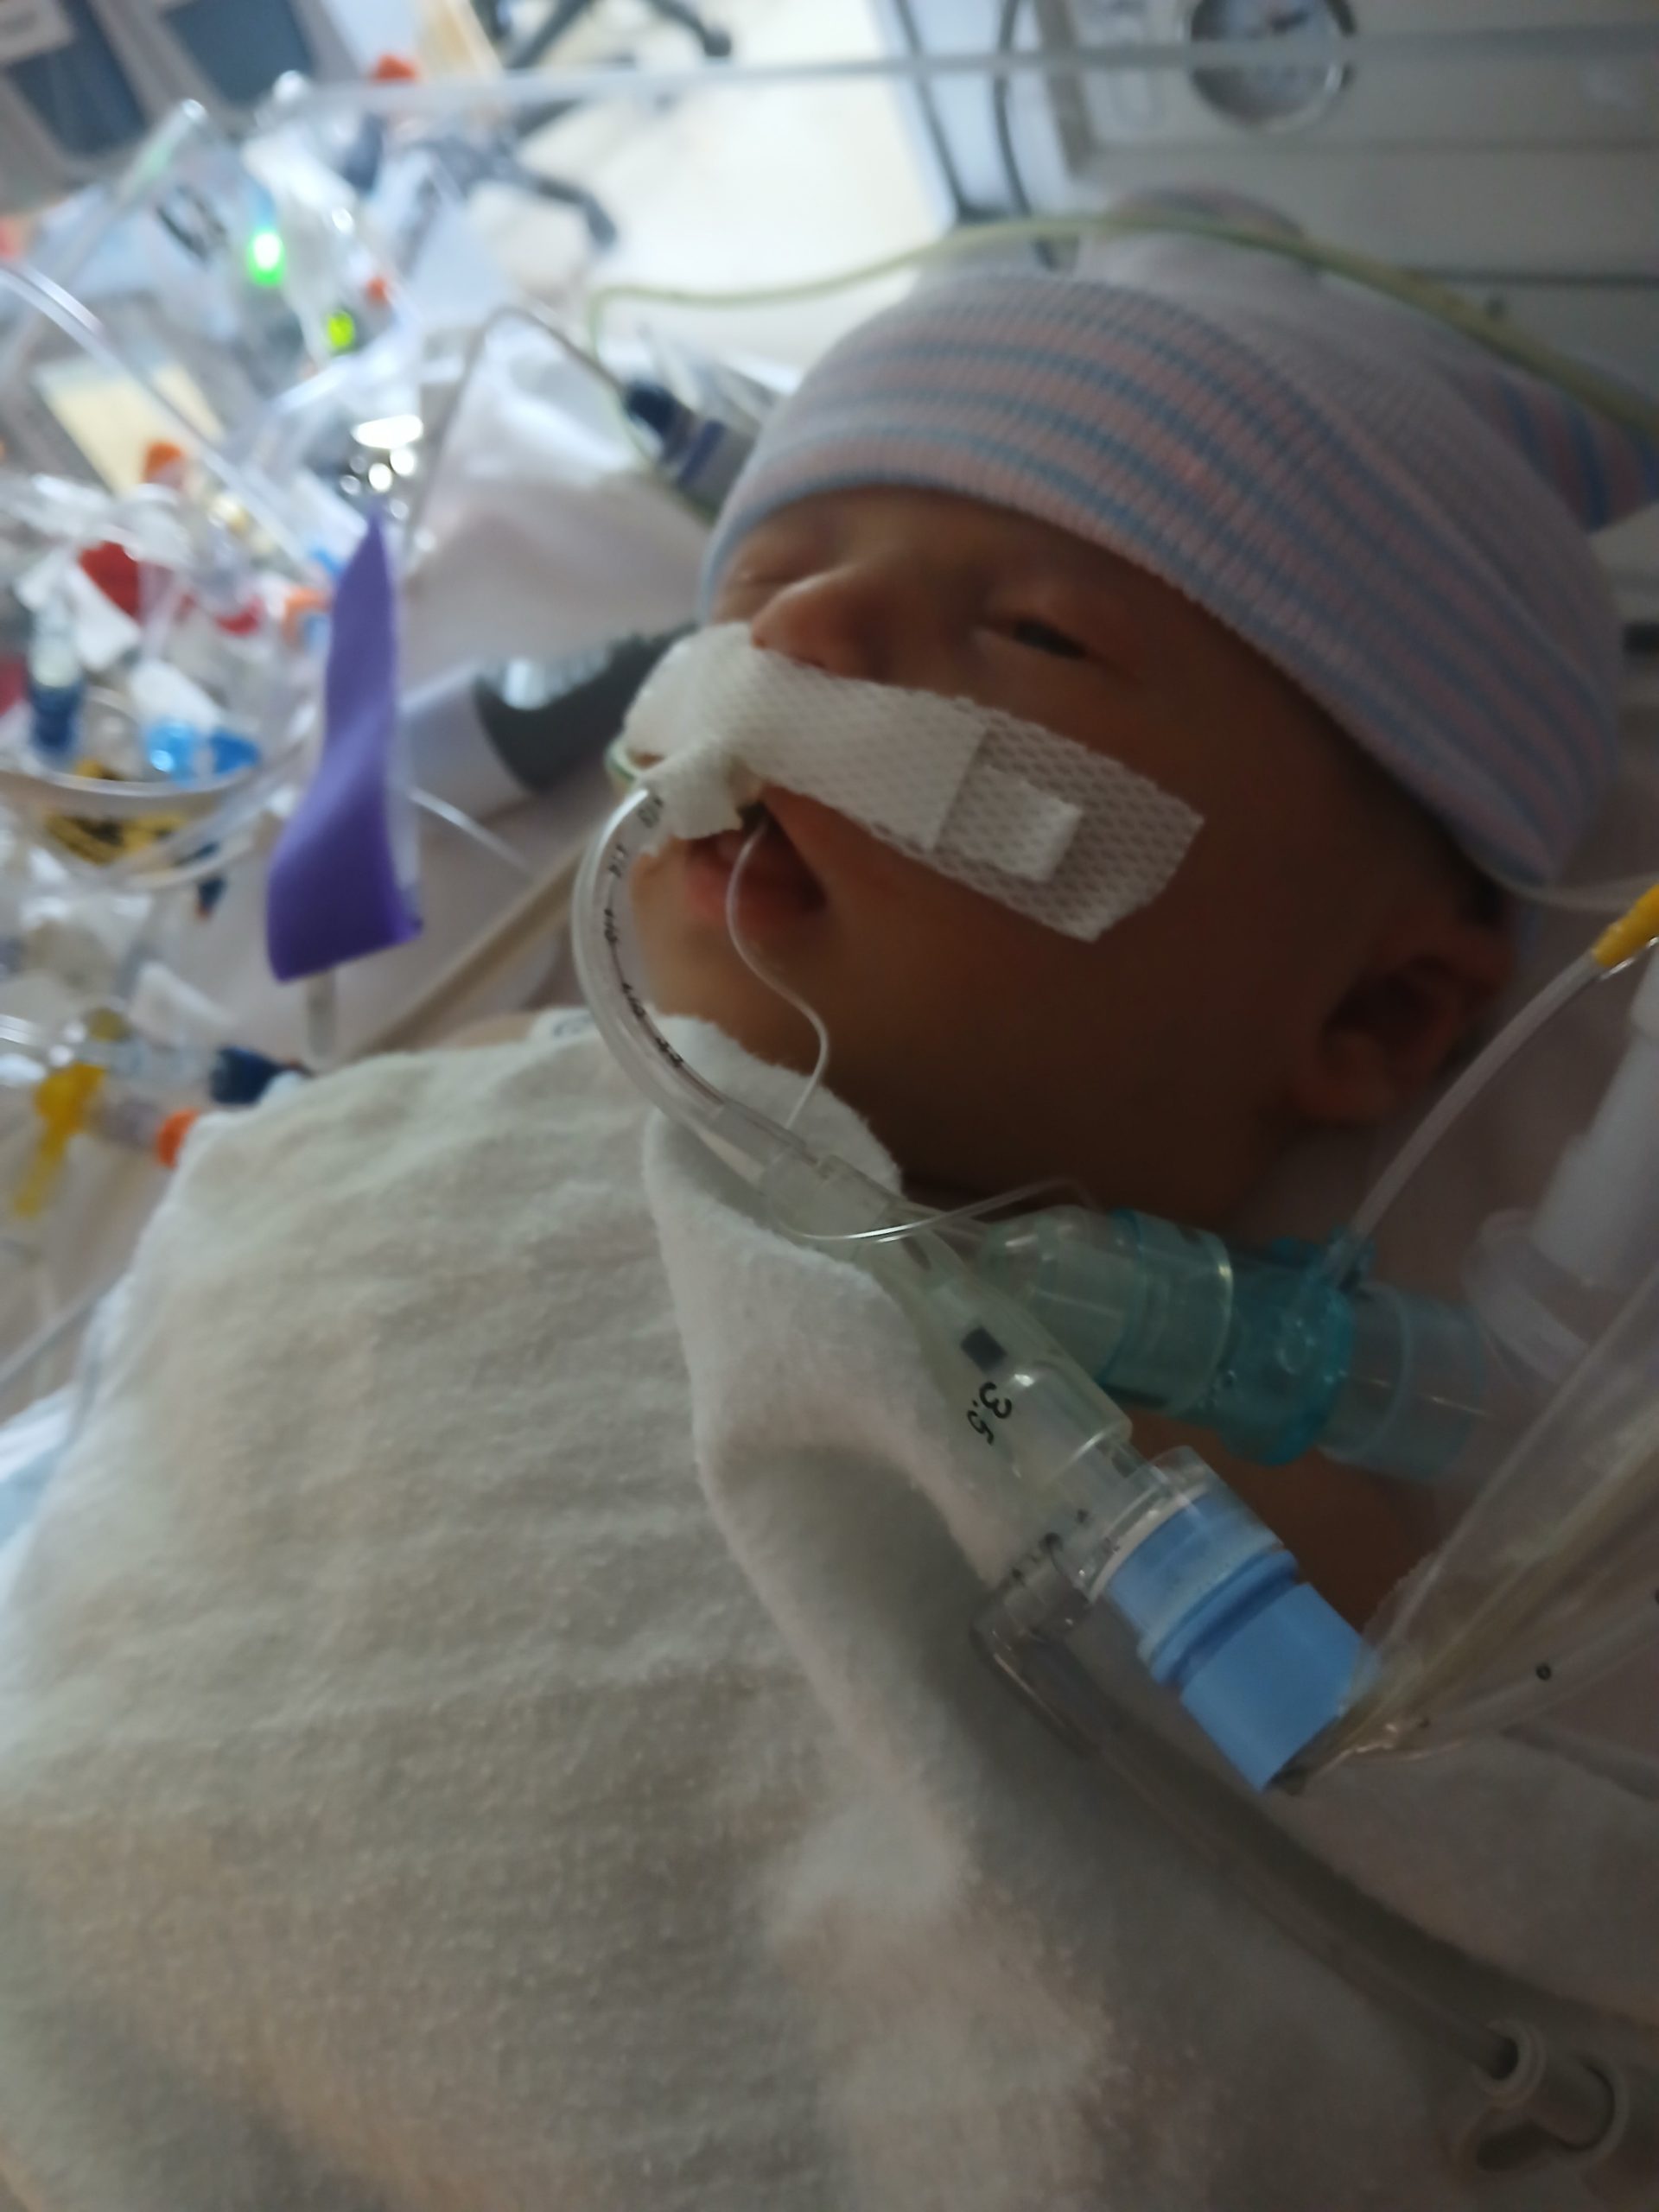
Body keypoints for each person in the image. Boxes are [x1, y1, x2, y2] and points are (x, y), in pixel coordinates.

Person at [0, 215, 1652, 2212]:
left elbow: (1366, 1835)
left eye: (1033, 635)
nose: (796, 638)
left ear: (1371, 1015)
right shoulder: (410, 1140)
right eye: (758, 583)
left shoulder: (1212, 1447)